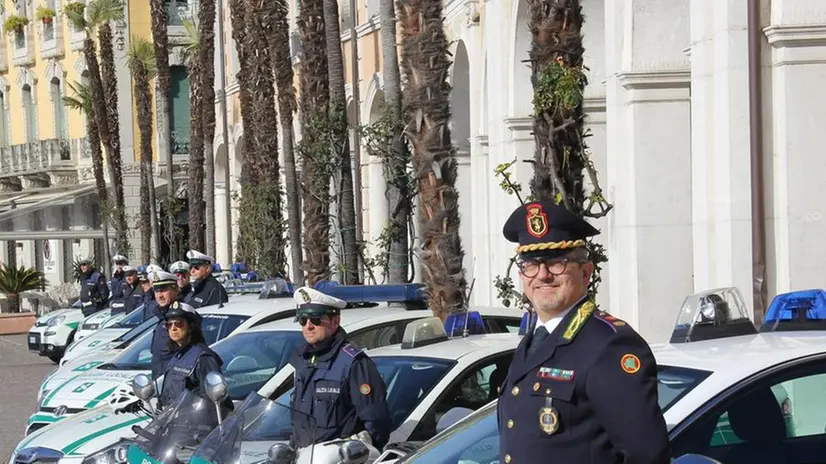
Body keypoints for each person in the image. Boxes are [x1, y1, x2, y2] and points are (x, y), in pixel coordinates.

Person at [497, 201, 670, 464]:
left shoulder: (610, 345)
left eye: (557, 263)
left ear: (586, 272)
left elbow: (646, 455)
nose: (542, 275)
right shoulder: (534, 339)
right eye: (531, 264)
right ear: (522, 275)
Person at [289, 287, 392, 451]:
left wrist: (355, 455)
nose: (308, 326)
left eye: (315, 319)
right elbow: (300, 424)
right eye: (302, 319)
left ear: (335, 321)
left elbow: (376, 423)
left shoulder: (353, 363)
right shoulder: (304, 360)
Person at [158, 302, 230, 410]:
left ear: (191, 327)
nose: (173, 328)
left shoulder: (203, 358)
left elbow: (212, 402)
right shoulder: (178, 355)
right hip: (172, 421)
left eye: (178, 323)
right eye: (169, 324)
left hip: (193, 424)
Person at [149, 271, 187, 381]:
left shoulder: (183, 316)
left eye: (164, 290)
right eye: (157, 291)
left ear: (175, 289)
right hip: (160, 384)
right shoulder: (162, 317)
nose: (160, 295)